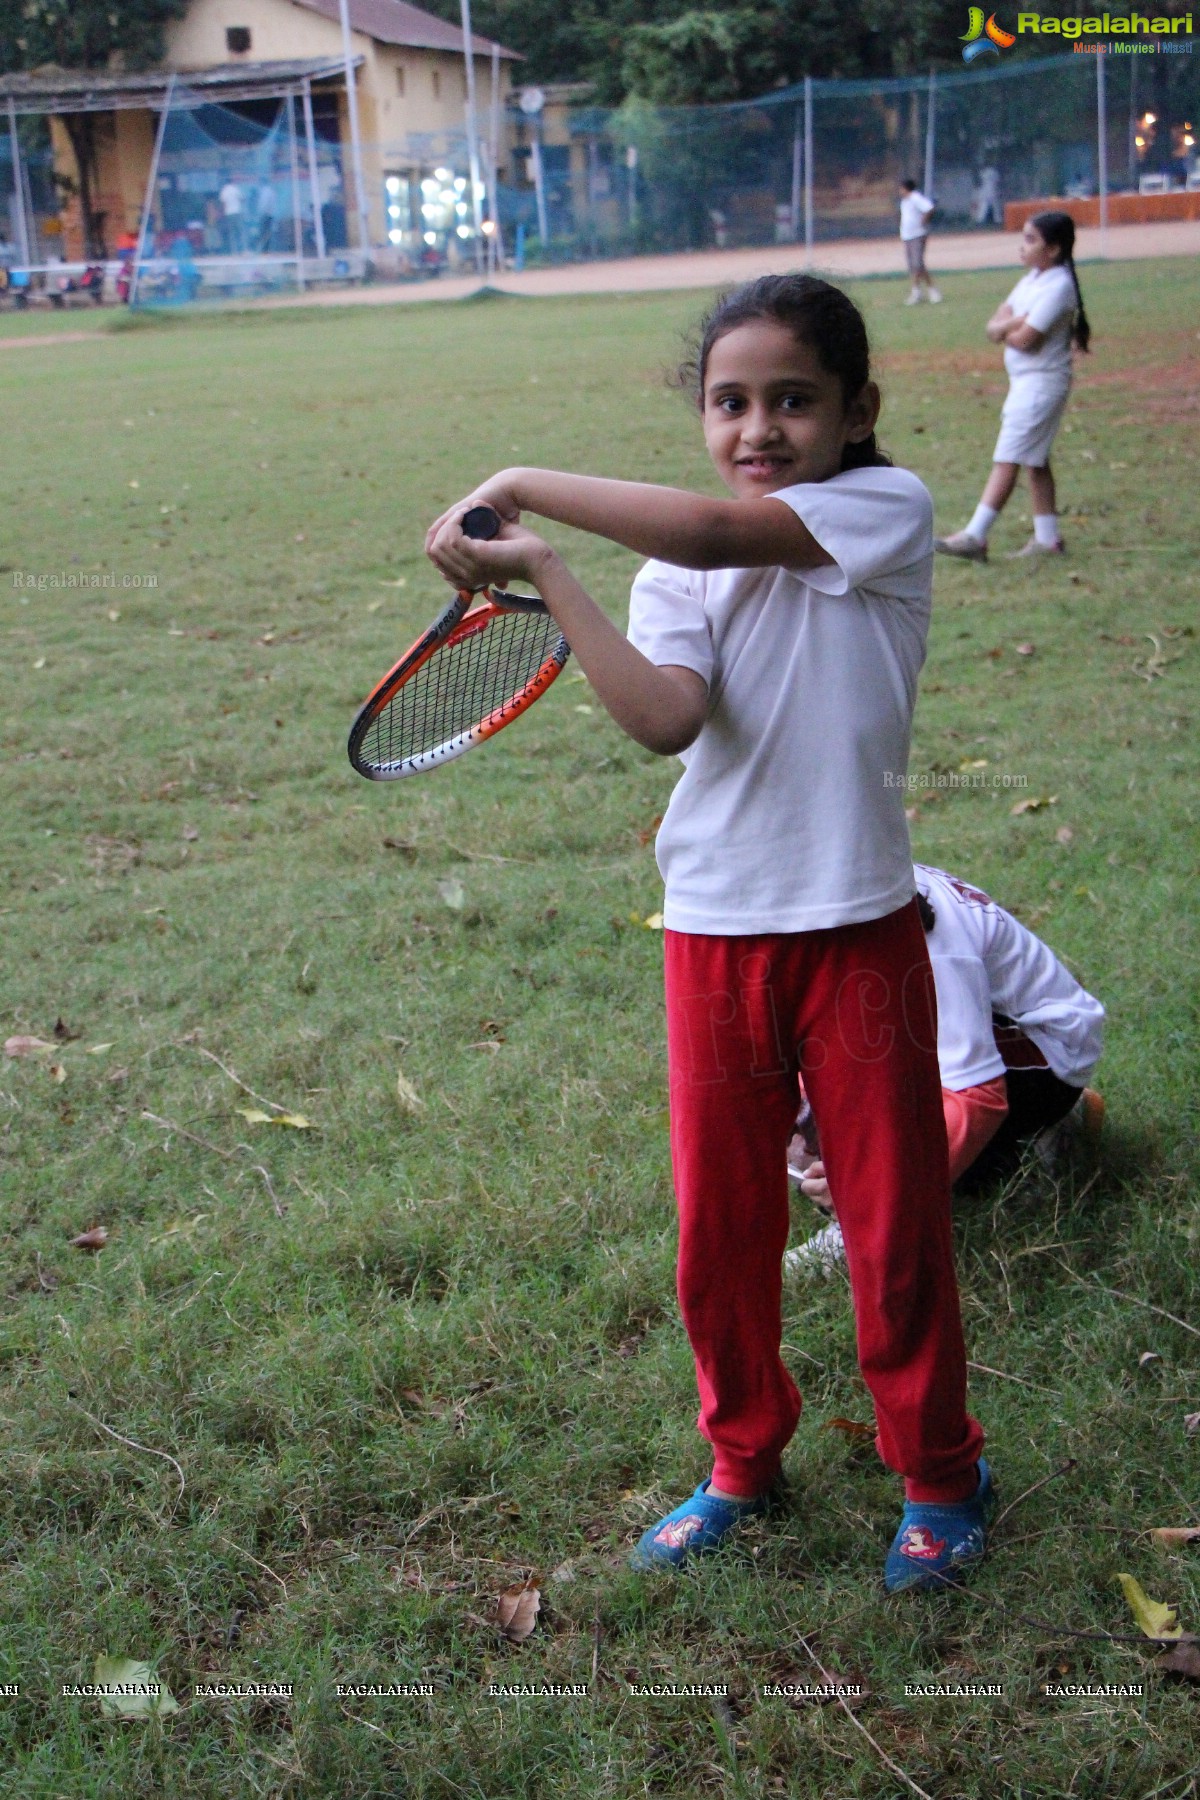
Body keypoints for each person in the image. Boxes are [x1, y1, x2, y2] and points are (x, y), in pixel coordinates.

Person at [425, 273, 992, 1595]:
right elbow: (668, 719)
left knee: (894, 1222)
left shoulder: (882, 511)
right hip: (714, 940)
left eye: (792, 400)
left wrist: (519, 481)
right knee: (720, 1229)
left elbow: (708, 530)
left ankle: (942, 1475)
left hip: (858, 934)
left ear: (857, 412)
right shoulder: (679, 571)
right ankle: (741, 1460)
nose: (758, 428)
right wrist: (557, 577)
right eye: (730, 403)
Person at [788, 863, 1105, 1275]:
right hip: (986, 1035)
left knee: (896, 1112)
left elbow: (978, 1096)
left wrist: (872, 1191)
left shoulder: (928, 946)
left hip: (1046, 1056)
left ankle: (858, 1232)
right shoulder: (862, 886)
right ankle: (1043, 1136)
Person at [935, 211, 1091, 562]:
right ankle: (1048, 539)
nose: (1022, 247)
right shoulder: (1031, 281)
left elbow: (1025, 341)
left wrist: (1010, 326)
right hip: (1024, 384)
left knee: (1008, 458)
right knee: (1035, 460)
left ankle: (975, 535)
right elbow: (993, 327)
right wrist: (1009, 324)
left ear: (1052, 249)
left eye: (1030, 240)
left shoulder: (1058, 286)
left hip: (1040, 385)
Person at [899, 178, 941, 305]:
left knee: (917, 264)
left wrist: (924, 221)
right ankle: (931, 290)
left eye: (901, 188)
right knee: (916, 266)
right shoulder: (904, 202)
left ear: (906, 188)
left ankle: (916, 292)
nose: (900, 191)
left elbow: (929, 208)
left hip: (917, 235)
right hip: (907, 236)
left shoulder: (915, 198)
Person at [218, 175, 246, 255]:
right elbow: (242, 199)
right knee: (240, 231)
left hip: (229, 213)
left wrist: (222, 214)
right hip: (237, 212)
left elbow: (223, 203)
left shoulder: (224, 190)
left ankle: (234, 251)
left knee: (232, 233)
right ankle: (243, 249)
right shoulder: (235, 189)